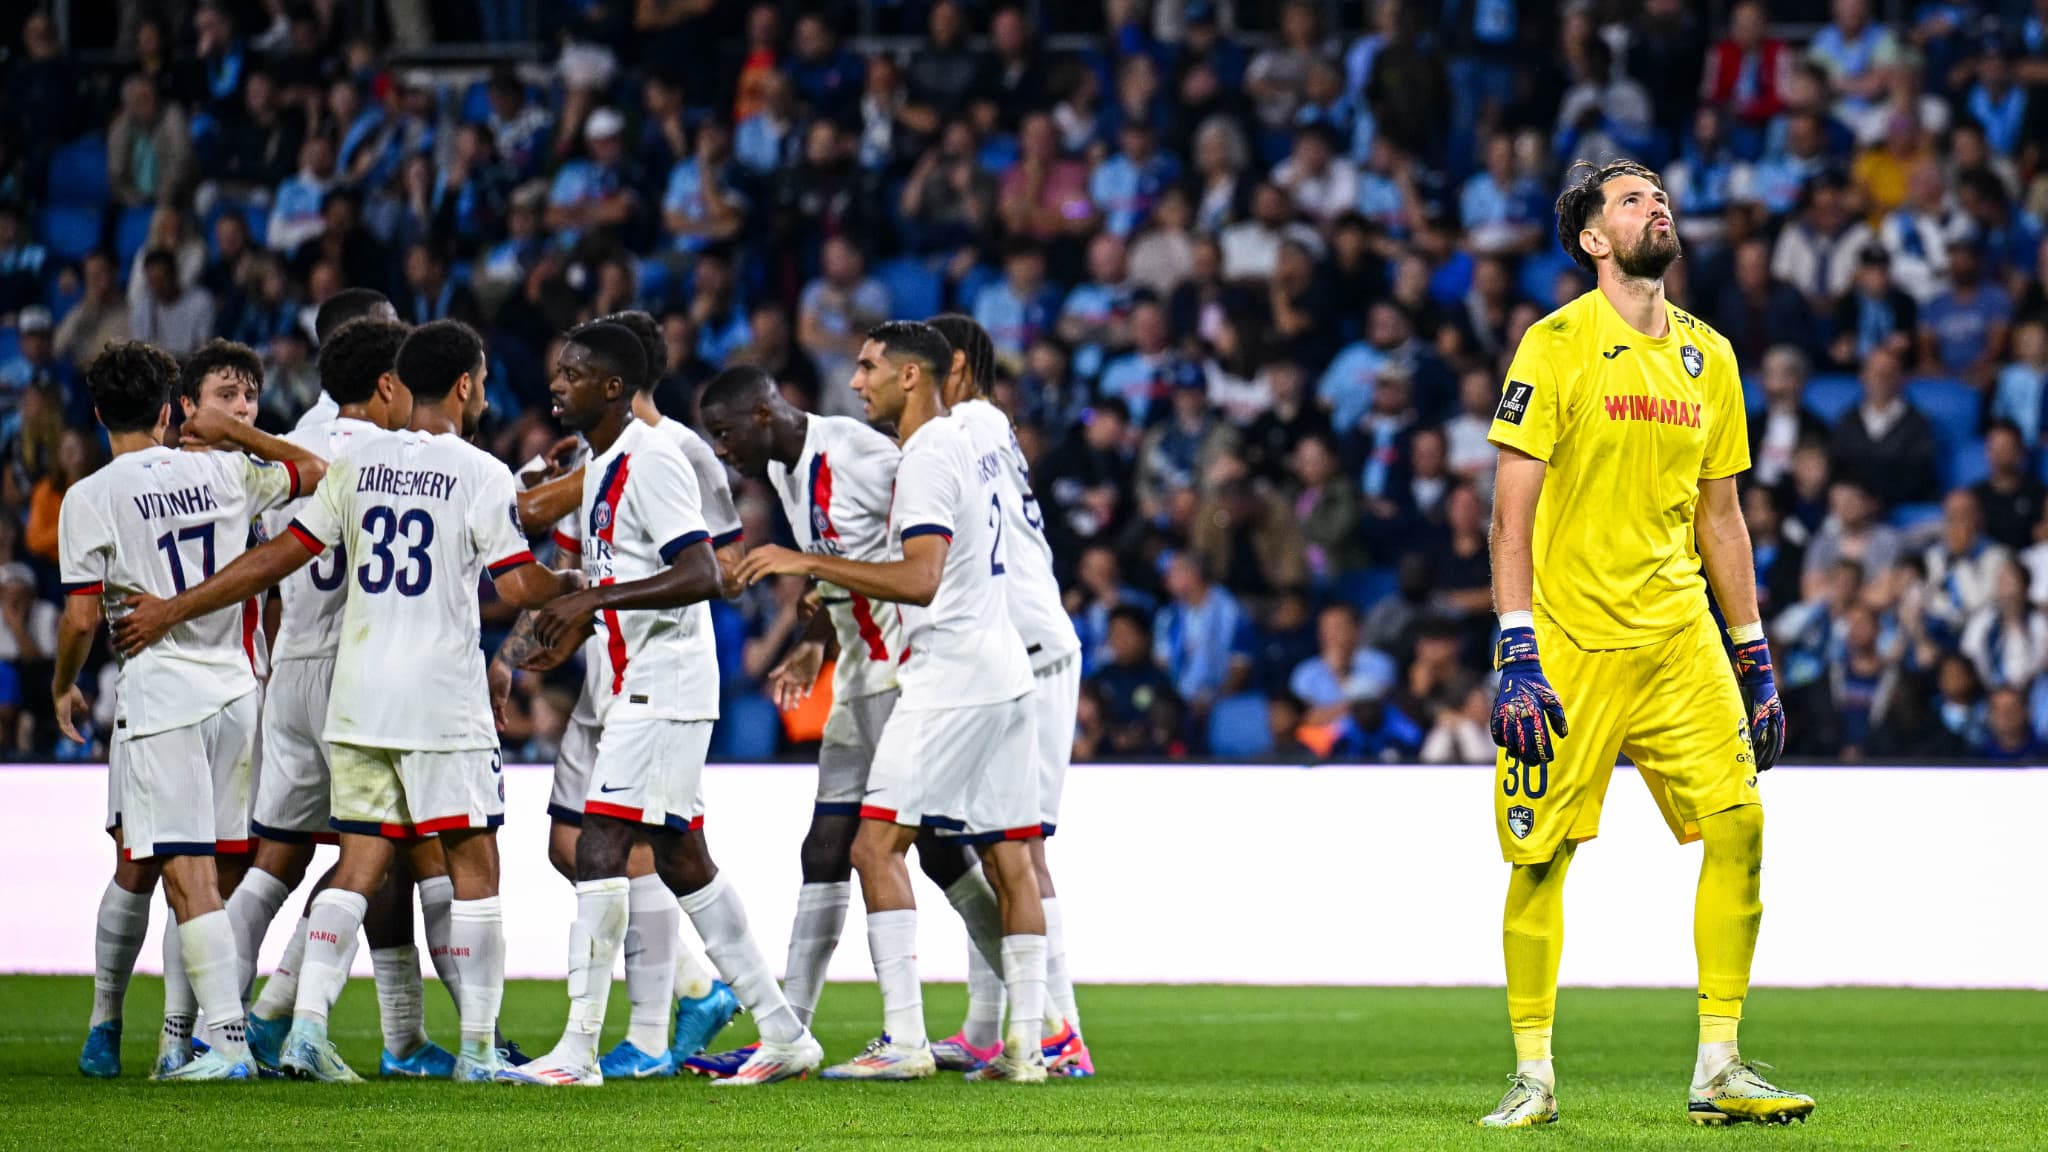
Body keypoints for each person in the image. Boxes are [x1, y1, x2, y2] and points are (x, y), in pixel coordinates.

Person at [113, 320, 571, 1083]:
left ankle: (304, 1029)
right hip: (439, 702)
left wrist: (173, 607)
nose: (485, 393)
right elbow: (521, 587)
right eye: (483, 380)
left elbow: (275, 559)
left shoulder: (355, 469)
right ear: (463, 385)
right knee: (475, 867)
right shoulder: (482, 472)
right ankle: (482, 1052)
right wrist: (579, 589)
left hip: (354, 698)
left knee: (359, 862)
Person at [1477, 160, 1810, 1128]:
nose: (1653, 207)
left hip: (1676, 639)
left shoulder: (1709, 357)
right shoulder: (1551, 347)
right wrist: (1514, 648)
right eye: (1629, 199)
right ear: (1590, 238)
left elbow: (1722, 520)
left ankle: (1718, 1065)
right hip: (1570, 643)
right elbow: (1508, 517)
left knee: (1739, 825)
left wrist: (1750, 656)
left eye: (1658, 196)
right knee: (1537, 859)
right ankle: (1532, 1076)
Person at [499, 324, 822, 1088]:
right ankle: (782, 1031)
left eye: (574, 373)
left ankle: (578, 1049)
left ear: (614, 386)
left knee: (601, 846)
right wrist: (562, 616)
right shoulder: (606, 464)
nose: (558, 385)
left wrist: (595, 603)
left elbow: (704, 569)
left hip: (664, 683)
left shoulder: (655, 459)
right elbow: (613, 568)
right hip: (634, 680)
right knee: (682, 858)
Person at [733, 321, 1051, 1082]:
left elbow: (920, 578)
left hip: (951, 674)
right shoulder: (982, 432)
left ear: (913, 377)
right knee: (1009, 858)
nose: (857, 381)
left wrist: (804, 560)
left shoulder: (927, 455)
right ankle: (1030, 1049)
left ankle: (904, 1044)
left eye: (870, 367)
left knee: (875, 846)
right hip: (1006, 668)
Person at [198, 319, 474, 1079]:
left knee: (276, 860)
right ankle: (437, 1037)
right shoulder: (383, 458)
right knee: (408, 856)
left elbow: (269, 557)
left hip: (290, 669)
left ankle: (212, 1031)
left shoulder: (292, 445)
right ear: (388, 384)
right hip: (363, 673)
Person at [60, 342, 327, 1081]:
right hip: (236, 693)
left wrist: (61, 684)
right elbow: (314, 473)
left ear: (96, 412)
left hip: (160, 697)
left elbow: (83, 619)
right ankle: (154, 1036)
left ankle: (219, 1043)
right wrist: (240, 435)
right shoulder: (224, 470)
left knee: (181, 872)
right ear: (175, 407)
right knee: (178, 869)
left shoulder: (90, 495)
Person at [928, 314, 1091, 1074]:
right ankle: (987, 1029)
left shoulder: (972, 422)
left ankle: (1065, 1033)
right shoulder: (983, 427)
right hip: (1010, 650)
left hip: (1035, 654)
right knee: (985, 838)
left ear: (953, 367)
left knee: (1018, 846)